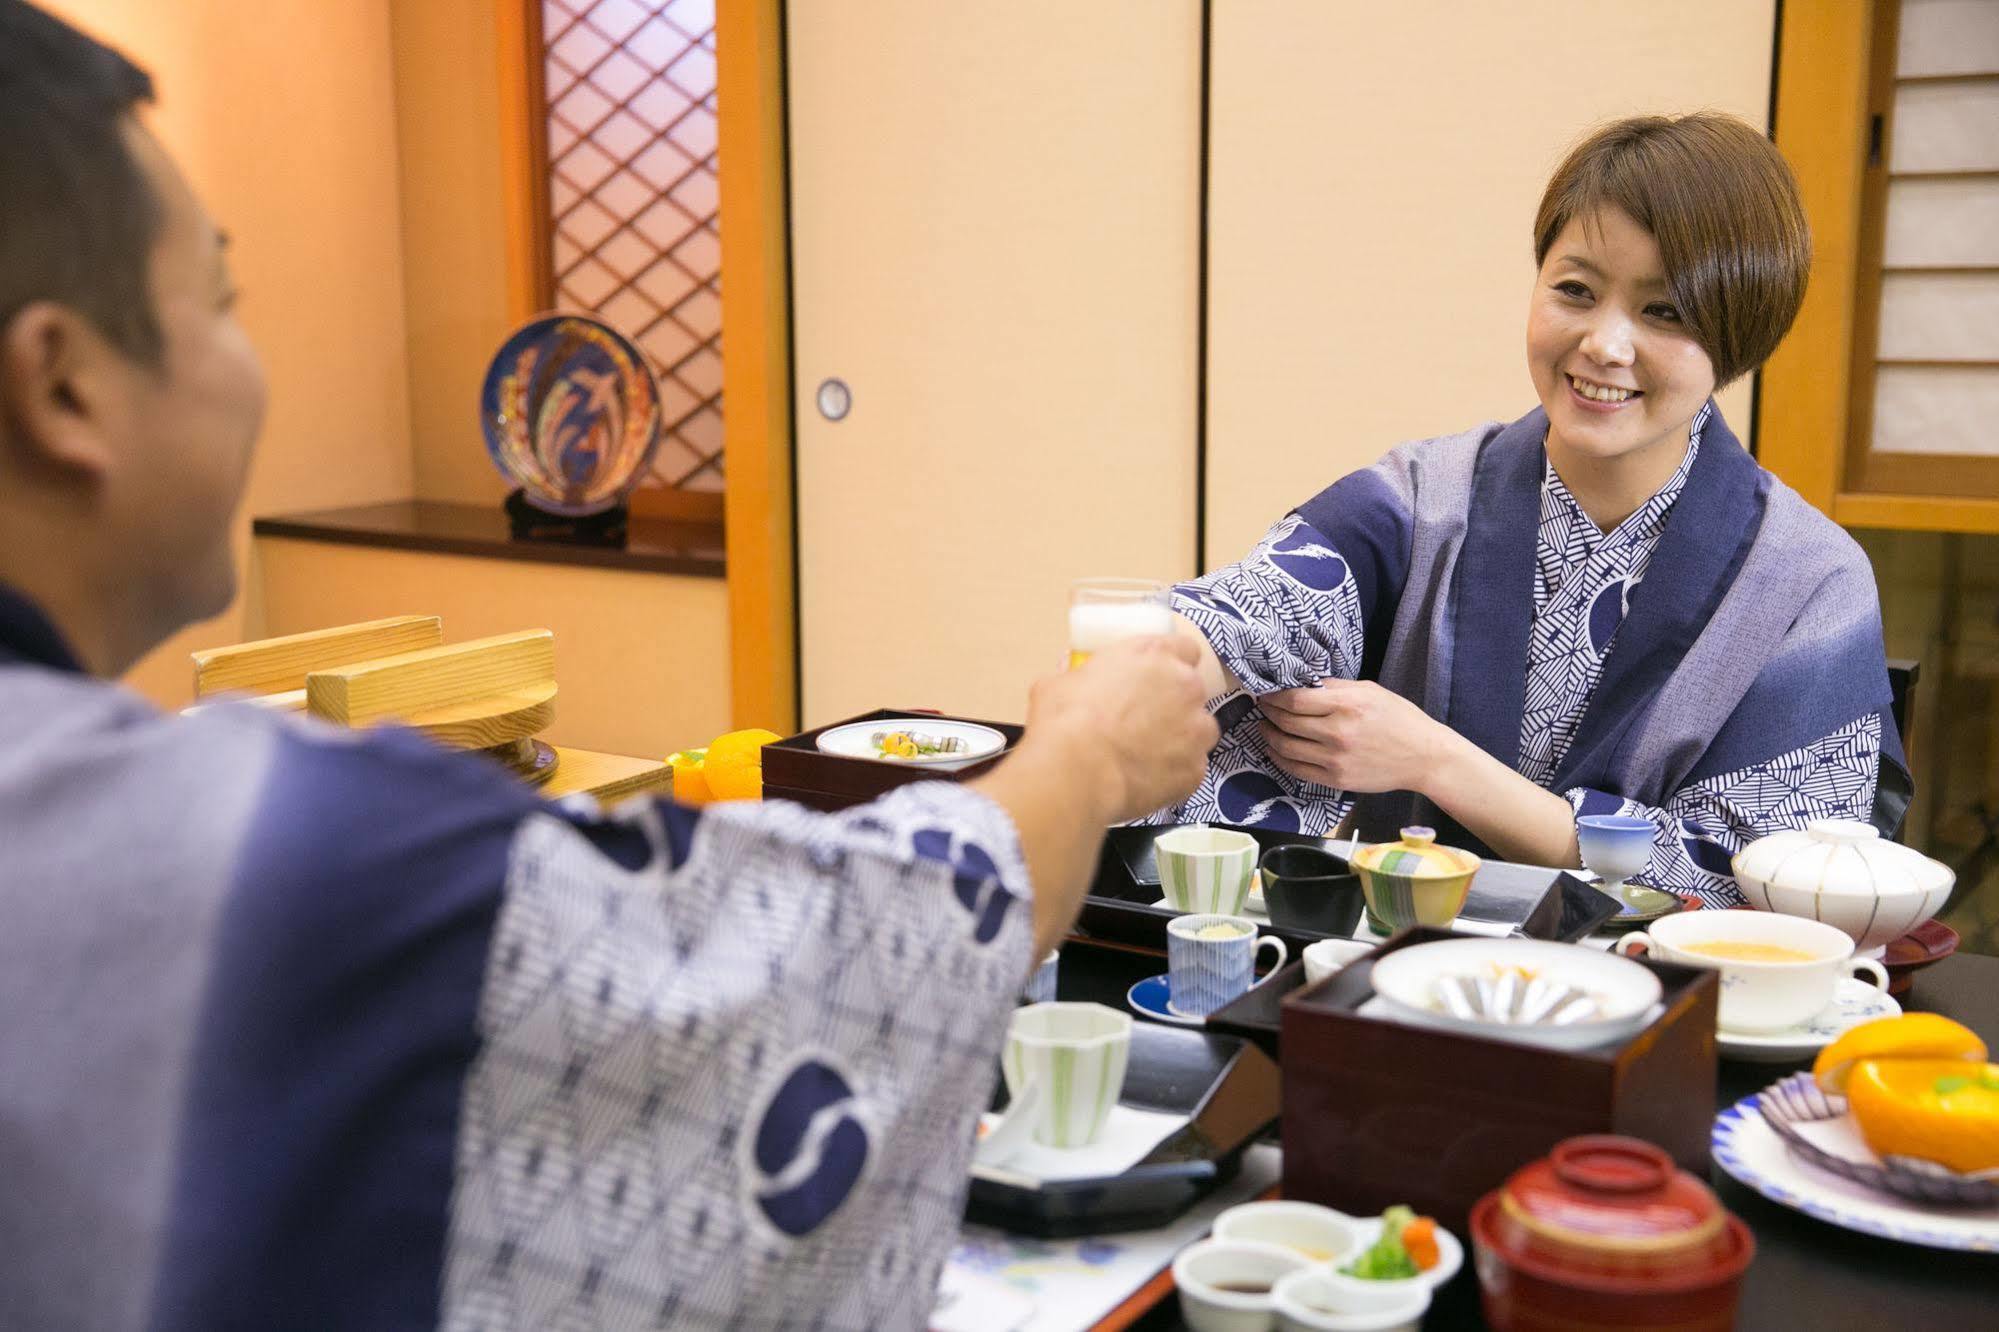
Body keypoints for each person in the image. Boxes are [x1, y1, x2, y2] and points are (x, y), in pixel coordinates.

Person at [0, 4, 1217, 1328]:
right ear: (62, 388)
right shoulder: (275, 849)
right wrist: (1085, 751)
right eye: (223, 301)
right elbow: (818, 971)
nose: (251, 367)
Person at [1161, 113, 1906, 908]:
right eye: (1574, 291)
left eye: (1665, 312)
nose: (1603, 345)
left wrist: (1433, 761)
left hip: (1660, 997)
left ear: (1739, 336)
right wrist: (1139, 664)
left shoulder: (1807, 580)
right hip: (1395, 964)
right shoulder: (1424, 494)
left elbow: (1770, 880)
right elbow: (1251, 612)